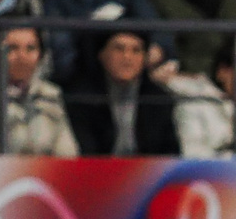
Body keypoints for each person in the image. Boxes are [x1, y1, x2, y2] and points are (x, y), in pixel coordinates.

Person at [0, 23, 78, 155]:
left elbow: (68, 154)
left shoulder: (49, 94)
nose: (23, 57)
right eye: (12, 48)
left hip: (43, 173)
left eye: (31, 48)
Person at [64, 27, 181, 156]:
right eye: (119, 49)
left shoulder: (158, 98)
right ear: (102, 54)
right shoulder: (80, 98)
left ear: (145, 58)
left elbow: (170, 153)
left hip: (147, 173)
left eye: (136, 51)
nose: (127, 57)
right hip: (97, 171)